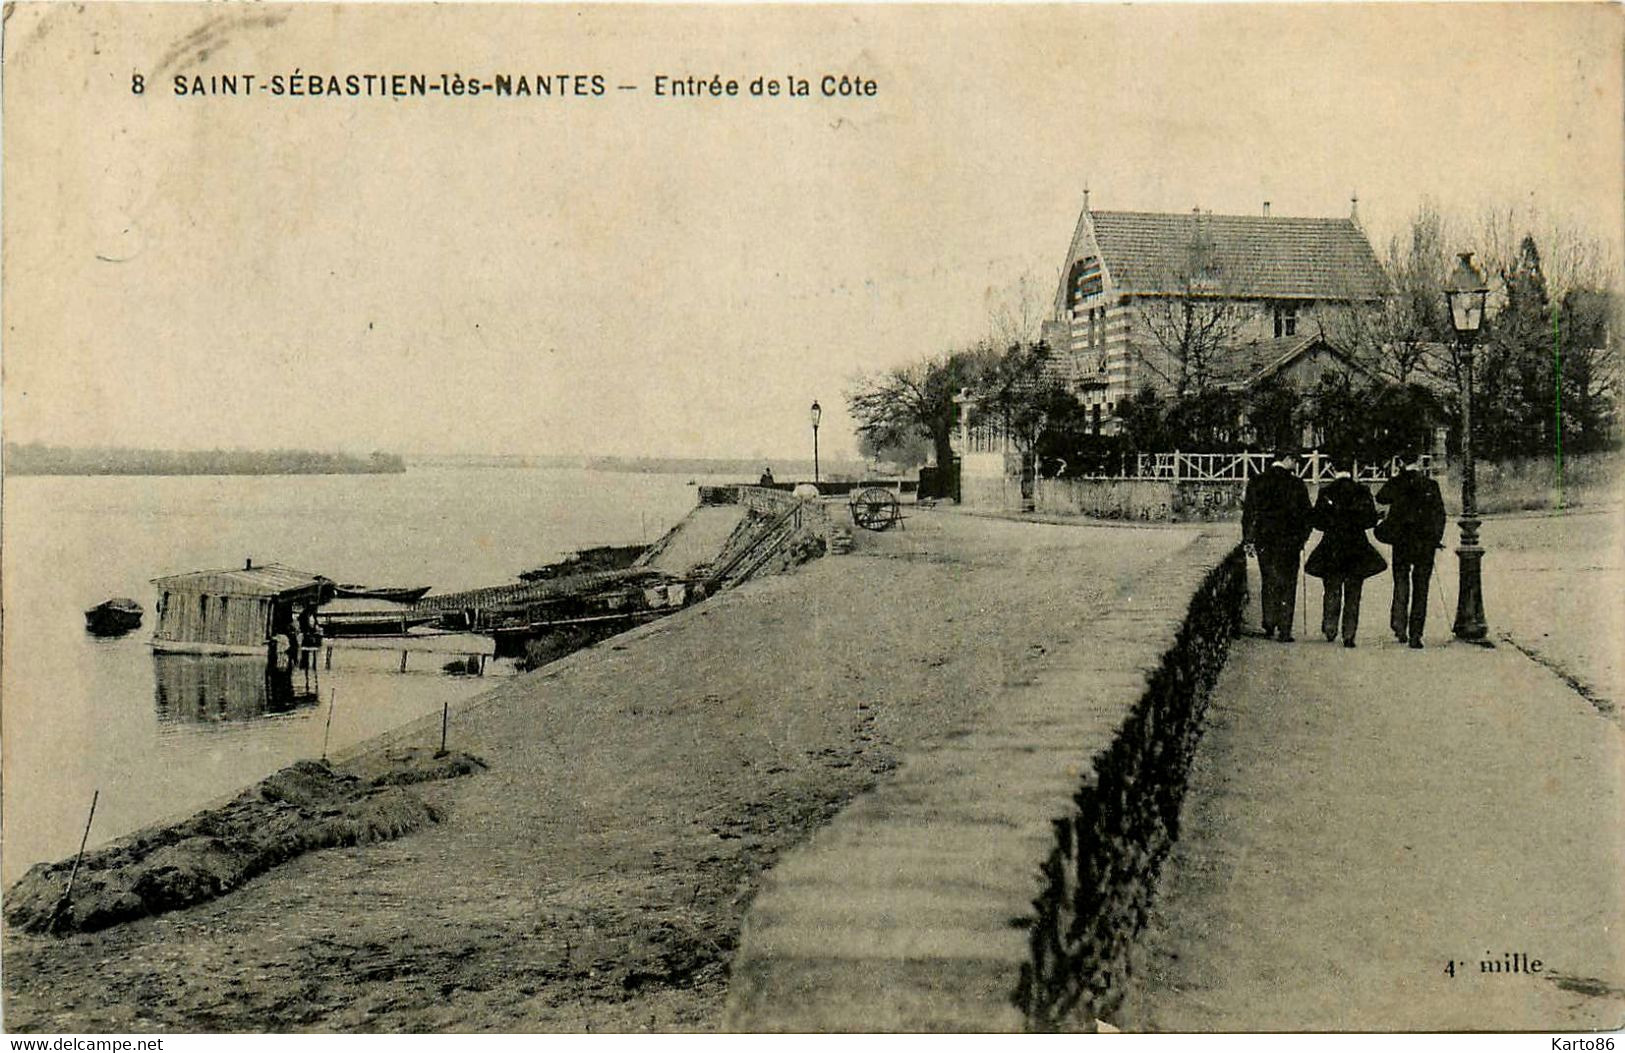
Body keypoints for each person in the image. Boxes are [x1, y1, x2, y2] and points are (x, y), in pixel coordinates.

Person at [1305, 457, 1388, 647]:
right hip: (1356, 547)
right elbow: (1369, 521)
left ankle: (1330, 627)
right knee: (1353, 592)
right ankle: (1349, 634)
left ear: (1334, 470)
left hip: (1332, 546)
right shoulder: (1362, 491)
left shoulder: (1326, 492)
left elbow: (1317, 522)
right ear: (1353, 470)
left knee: (1332, 587)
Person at [1376, 450, 1447, 648]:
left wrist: (1396, 475)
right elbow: (1440, 515)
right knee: (1421, 587)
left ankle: (1399, 626)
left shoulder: (1397, 482)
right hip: (1425, 543)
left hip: (1402, 542)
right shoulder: (1430, 485)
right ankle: (1416, 634)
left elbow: (1381, 497)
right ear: (1418, 461)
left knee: (1401, 581)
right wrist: (1435, 538)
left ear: (1401, 462)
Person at [1242, 447, 1313, 642]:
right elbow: (1307, 515)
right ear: (1287, 459)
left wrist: (1249, 539)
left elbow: (1249, 513)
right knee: (1288, 583)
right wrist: (1302, 539)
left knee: (1269, 579)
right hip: (1290, 541)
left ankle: (1269, 623)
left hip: (1265, 540)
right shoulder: (1296, 484)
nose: (1296, 465)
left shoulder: (1257, 481)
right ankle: (1285, 629)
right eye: (1295, 461)